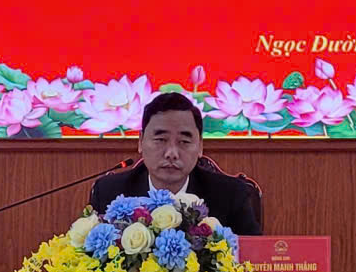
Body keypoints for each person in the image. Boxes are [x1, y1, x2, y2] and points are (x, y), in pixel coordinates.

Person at [89, 91, 264, 235]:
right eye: (160, 139)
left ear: (200, 146)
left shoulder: (230, 195)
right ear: (141, 142)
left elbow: (254, 257)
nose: (171, 153)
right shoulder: (109, 192)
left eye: (184, 142)